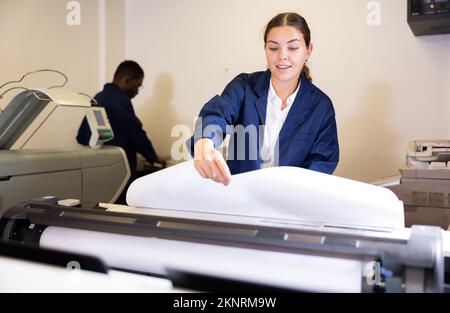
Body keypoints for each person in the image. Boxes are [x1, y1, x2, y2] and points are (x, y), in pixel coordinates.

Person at [188, 12, 339, 186]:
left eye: (293, 48)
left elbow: (321, 163)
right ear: (265, 49)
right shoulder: (243, 86)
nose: (282, 56)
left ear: (308, 51)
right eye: (274, 48)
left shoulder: (321, 107)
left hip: (290, 204)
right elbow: (217, 115)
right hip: (239, 197)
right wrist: (204, 142)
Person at [77, 60, 166, 203]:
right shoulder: (120, 100)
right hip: (119, 173)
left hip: (96, 173)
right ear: (129, 80)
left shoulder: (98, 97)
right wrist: (154, 157)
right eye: (138, 86)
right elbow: (136, 134)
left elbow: (81, 136)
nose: (137, 92)